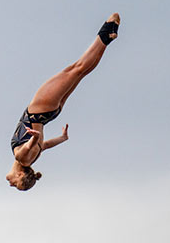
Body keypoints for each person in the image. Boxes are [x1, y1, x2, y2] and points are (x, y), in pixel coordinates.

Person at [7, 13, 120, 191]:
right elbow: (30, 145)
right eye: (16, 184)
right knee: (76, 69)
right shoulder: (22, 157)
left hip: (51, 112)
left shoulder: (32, 158)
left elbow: (43, 145)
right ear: (21, 174)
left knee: (80, 73)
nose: (10, 183)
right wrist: (34, 137)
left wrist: (62, 138)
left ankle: (108, 38)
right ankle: (107, 31)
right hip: (39, 110)